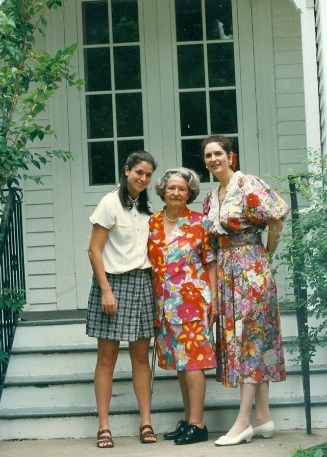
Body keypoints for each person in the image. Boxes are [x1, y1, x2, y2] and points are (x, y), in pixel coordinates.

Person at [201, 135, 290, 446]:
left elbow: (277, 215)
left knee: (250, 340)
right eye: (208, 155)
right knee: (250, 339)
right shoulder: (211, 198)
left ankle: (242, 423)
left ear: (231, 156)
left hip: (251, 269)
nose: (213, 160)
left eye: (218, 154)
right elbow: (210, 244)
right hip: (227, 273)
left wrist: (268, 251)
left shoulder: (247, 184)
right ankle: (262, 416)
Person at [86, 150, 157, 448]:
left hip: (142, 283)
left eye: (148, 175)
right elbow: (94, 249)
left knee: (141, 358)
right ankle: (104, 426)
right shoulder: (109, 203)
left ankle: (146, 422)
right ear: (126, 170)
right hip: (113, 284)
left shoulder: (146, 207)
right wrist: (105, 290)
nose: (143, 178)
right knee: (107, 358)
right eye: (139, 172)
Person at [148, 167, 217, 445]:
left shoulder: (201, 222)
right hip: (163, 302)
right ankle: (189, 419)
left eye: (182, 189)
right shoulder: (151, 222)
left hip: (193, 301)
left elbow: (211, 262)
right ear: (163, 190)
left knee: (193, 361)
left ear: (190, 193)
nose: (176, 192)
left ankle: (198, 425)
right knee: (180, 362)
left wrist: (213, 300)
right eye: (172, 188)